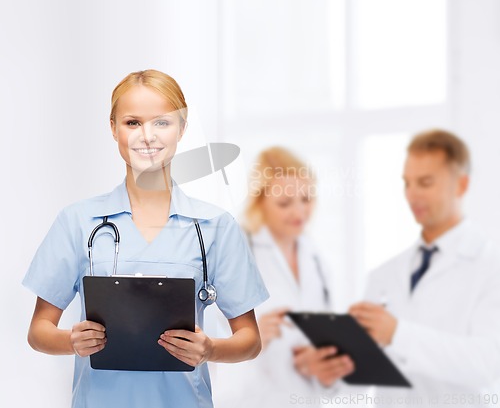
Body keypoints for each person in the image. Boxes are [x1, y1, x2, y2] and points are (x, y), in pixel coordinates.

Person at [22, 69, 269, 408]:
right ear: (113, 129)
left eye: (162, 123)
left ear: (182, 128)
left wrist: (210, 349)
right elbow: (38, 331)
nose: (147, 136)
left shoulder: (214, 226)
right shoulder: (77, 222)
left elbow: (250, 340)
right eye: (132, 122)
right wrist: (71, 341)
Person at [349, 129, 500, 407]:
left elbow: (489, 362)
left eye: (425, 182)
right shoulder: (383, 274)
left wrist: (398, 334)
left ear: (461, 186)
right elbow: (367, 370)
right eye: (407, 183)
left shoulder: (490, 266)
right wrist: (335, 364)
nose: (412, 195)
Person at [213, 147, 354, 408]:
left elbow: (324, 345)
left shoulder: (317, 261)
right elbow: (210, 347)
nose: (299, 212)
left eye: (307, 198)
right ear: (260, 201)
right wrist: (249, 339)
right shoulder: (236, 252)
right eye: (285, 203)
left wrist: (320, 367)